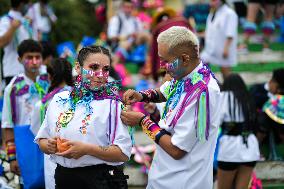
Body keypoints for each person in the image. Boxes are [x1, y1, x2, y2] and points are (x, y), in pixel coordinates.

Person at [121, 26, 221, 189]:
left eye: (166, 60)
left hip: (183, 183)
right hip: (164, 178)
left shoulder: (203, 92)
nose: (162, 66)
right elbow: (166, 90)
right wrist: (142, 95)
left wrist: (143, 121)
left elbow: (176, 150)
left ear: (184, 58)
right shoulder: (188, 75)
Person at [35, 46, 131, 189]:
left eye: (105, 69)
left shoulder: (113, 105)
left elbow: (122, 153)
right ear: (78, 68)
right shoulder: (59, 100)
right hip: (63, 178)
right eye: (94, 67)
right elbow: (42, 139)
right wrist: (49, 145)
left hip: (99, 180)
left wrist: (86, 149)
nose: (100, 74)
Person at [1, 39, 49, 177]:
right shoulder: (13, 88)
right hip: (26, 143)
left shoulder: (50, 81)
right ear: (19, 59)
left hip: (51, 143)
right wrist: (12, 158)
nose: (34, 62)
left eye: (37, 57)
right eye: (29, 57)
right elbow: (7, 125)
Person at [30, 58, 73, 189]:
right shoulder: (83, 96)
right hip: (79, 153)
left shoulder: (43, 104)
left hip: (52, 154)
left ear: (50, 75)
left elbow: (37, 132)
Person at [217, 74, 260, 189]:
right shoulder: (248, 97)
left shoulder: (223, 97)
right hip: (250, 147)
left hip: (230, 149)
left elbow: (215, 122)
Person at [0, 0, 35, 85]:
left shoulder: (26, 21)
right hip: (13, 72)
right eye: (28, 4)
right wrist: (12, 28)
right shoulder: (5, 20)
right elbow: (1, 43)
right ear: (21, 3)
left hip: (30, 72)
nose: (30, 7)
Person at [201, 0, 238, 79]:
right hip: (210, 48)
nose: (211, 3)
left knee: (225, 73)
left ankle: (228, 89)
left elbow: (230, 33)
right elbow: (210, 30)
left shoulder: (229, 13)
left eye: (214, 1)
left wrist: (226, 49)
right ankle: (206, 85)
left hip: (223, 48)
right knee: (202, 66)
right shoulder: (212, 13)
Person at [256, 68, 284, 160]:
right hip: (265, 127)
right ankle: (256, 150)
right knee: (262, 120)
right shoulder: (259, 92)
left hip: (278, 128)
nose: (270, 84)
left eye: (272, 81)